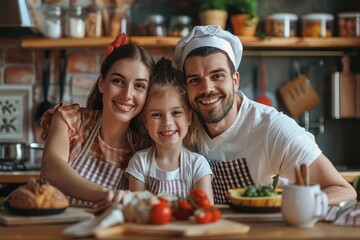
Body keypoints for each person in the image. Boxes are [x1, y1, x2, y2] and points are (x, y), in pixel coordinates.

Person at [173, 25, 356, 204]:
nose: (207, 89)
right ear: (186, 87)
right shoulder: (182, 126)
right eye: (195, 80)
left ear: (235, 81)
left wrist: (300, 202)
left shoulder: (272, 128)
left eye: (217, 76)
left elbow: (343, 190)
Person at [40, 33, 155, 206]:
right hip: (53, 227)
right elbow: (52, 168)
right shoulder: (72, 119)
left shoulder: (144, 148)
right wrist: (105, 194)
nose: (127, 95)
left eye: (139, 86)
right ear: (102, 83)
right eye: (118, 81)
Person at [125, 57, 214, 203]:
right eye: (157, 115)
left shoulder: (198, 165)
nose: (167, 122)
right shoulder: (139, 163)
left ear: (189, 118)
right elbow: (136, 212)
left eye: (176, 113)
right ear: (145, 121)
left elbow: (205, 212)